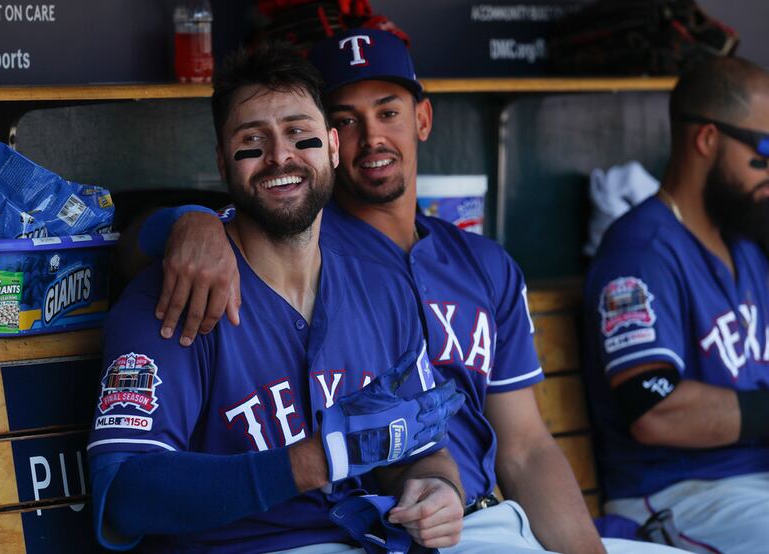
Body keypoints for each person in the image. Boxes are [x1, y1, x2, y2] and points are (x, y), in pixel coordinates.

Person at [136, 28, 688, 554]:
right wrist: (188, 221)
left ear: (422, 118)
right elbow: (177, 221)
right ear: (329, 141)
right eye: (347, 119)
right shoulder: (303, 244)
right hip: (380, 525)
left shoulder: (484, 263)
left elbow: (525, 445)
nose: (372, 137)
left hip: (481, 513)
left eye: (389, 112)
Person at [87, 43, 468, 553]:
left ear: (332, 147)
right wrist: (313, 460)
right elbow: (125, 493)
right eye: (252, 142)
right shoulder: (173, 298)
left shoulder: (383, 286)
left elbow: (424, 451)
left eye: (300, 135)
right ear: (224, 164)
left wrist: (437, 489)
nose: (280, 156)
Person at [582, 57, 769, 553]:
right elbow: (654, 408)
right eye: (764, 151)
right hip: (676, 494)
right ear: (707, 139)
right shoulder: (639, 253)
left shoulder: (747, 242)